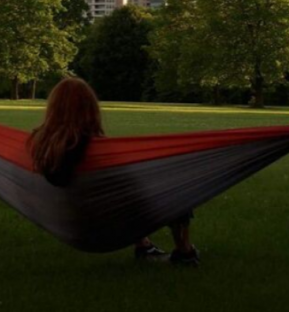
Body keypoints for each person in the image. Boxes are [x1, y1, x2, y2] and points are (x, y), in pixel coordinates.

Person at [28, 77, 199, 265]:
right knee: (178, 187)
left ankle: (145, 246)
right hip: (106, 227)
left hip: (68, 223)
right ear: (91, 109)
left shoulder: (37, 147)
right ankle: (184, 252)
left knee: (114, 195)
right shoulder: (100, 152)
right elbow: (131, 191)